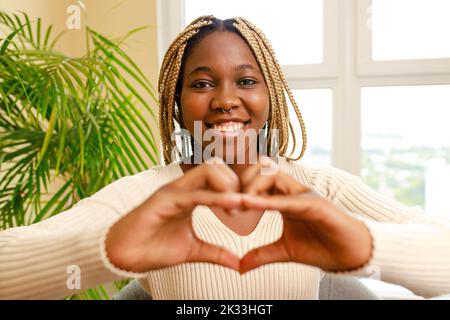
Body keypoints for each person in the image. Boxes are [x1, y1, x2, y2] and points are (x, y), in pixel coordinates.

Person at [1, 15, 449, 300]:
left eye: (246, 81)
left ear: (270, 95)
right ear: (176, 104)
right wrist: (106, 249)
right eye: (201, 84)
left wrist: (367, 244)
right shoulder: (148, 194)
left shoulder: (321, 188)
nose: (225, 100)